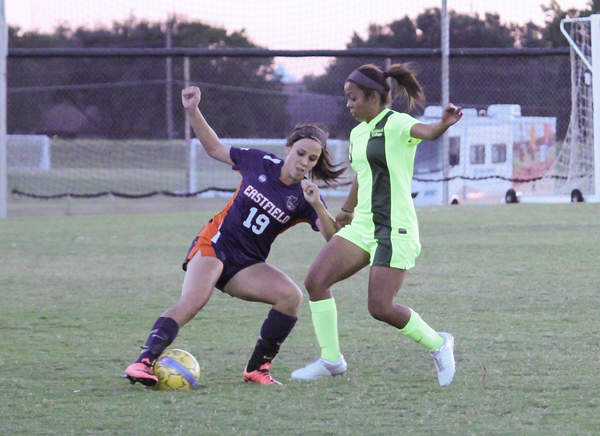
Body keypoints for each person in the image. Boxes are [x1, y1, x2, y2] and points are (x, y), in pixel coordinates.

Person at [124, 85, 345, 387]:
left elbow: (332, 238)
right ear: (288, 149)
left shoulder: (306, 197)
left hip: (247, 263)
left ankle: (257, 369)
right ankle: (142, 362)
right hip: (215, 244)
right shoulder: (258, 162)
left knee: (290, 298)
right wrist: (192, 110)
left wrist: (318, 203)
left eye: (312, 158)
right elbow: (215, 148)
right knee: (193, 302)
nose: (304, 161)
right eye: (300, 153)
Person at [291, 63, 463, 386]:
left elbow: (426, 132)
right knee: (315, 281)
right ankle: (331, 359)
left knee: (380, 307)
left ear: (374, 97)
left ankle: (440, 343)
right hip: (363, 226)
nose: (349, 104)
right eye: (347, 98)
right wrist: (346, 209)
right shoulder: (358, 133)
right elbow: (362, 173)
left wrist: (443, 124)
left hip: (394, 228)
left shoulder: (397, 123)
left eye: (353, 98)